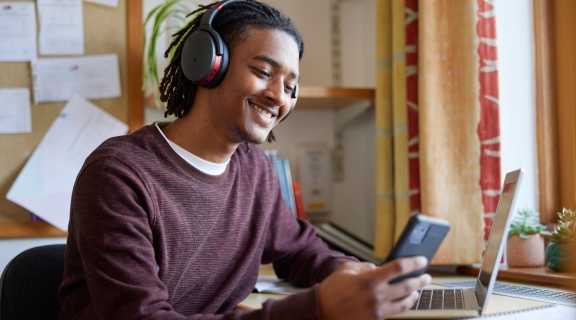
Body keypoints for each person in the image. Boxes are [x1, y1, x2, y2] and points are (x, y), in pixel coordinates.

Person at [58, 0, 431, 319]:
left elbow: (298, 249)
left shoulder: (254, 168)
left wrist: (351, 275)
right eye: (264, 72)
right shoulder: (118, 174)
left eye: (290, 87)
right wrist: (317, 308)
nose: (279, 97)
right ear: (208, 65)